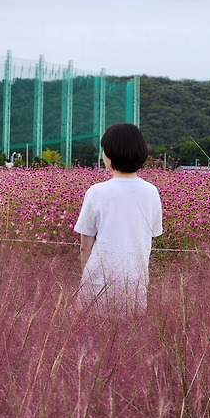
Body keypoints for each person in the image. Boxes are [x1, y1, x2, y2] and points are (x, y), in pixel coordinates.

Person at [74, 123, 163, 314]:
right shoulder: (151, 192)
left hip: (99, 281)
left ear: (110, 154)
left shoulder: (97, 192)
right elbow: (152, 235)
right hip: (136, 281)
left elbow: (85, 245)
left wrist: (85, 275)